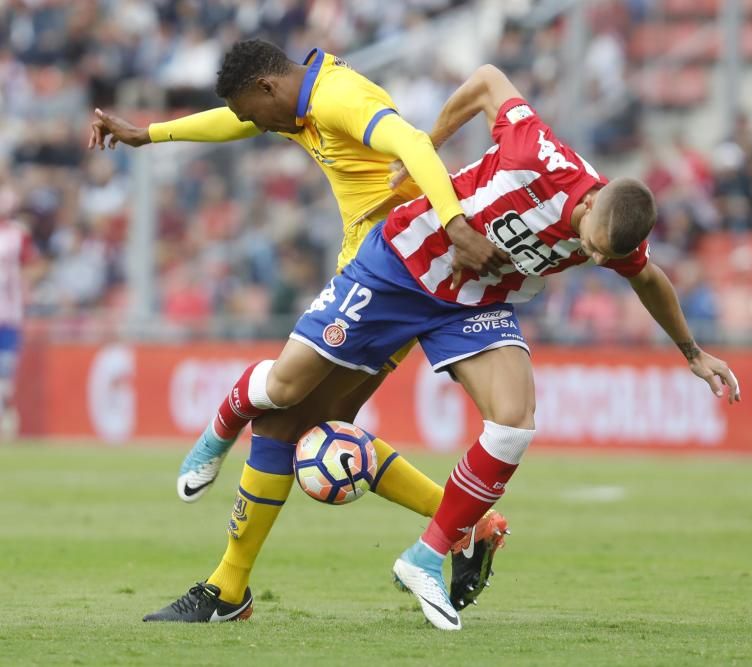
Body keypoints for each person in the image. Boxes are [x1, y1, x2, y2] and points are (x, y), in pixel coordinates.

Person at [231, 63, 739, 630]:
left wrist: (693, 352)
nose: (595, 260)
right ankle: (221, 432)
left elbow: (648, 278)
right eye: (593, 248)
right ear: (591, 203)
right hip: (406, 264)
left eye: (600, 257)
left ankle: (425, 556)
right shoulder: (536, 156)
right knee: (291, 399)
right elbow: (486, 81)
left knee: (515, 421)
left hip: (472, 300)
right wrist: (426, 145)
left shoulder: (612, 232)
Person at [89, 39, 508, 621]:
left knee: (279, 411)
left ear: (267, 89)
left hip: (390, 278)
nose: (251, 125)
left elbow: (411, 141)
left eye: (250, 111)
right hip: (392, 275)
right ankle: (469, 523)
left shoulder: (337, 97)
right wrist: (150, 135)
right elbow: (231, 124)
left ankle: (226, 548)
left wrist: (457, 225)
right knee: (313, 428)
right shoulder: (298, 103)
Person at [0, 216, 36, 441]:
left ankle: (6, 417)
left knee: (6, 373)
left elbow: (31, 266)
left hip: (10, 316)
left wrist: (25, 292)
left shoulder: (16, 235)